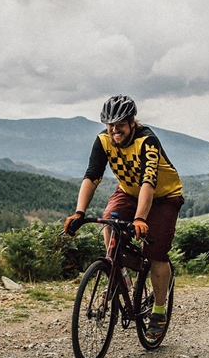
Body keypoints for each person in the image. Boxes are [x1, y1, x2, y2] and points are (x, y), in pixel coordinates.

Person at [64, 95, 185, 339]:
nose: (114, 130)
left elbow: (148, 182)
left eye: (120, 124)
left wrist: (140, 218)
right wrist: (79, 212)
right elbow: (92, 176)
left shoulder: (147, 141)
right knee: (109, 224)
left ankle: (158, 311)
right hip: (128, 191)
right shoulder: (103, 140)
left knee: (157, 253)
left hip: (164, 196)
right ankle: (121, 272)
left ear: (132, 123)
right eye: (110, 125)